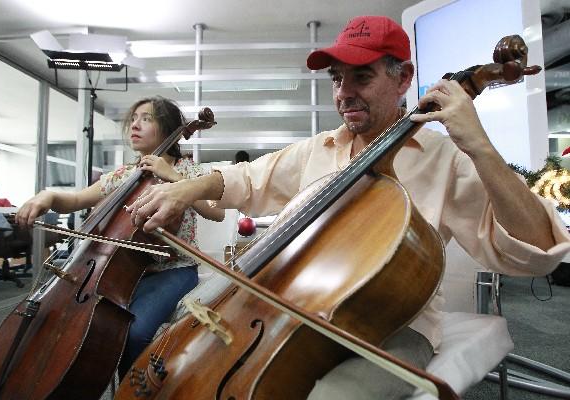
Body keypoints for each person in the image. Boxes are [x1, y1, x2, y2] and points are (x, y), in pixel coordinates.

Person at [125, 16, 570, 399]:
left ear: (403, 77)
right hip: (296, 306)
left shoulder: (445, 159)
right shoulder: (321, 148)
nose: (344, 93)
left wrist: (480, 147)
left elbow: (533, 251)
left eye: (362, 76)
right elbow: (249, 177)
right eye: (338, 79)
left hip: (392, 324)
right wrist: (186, 189)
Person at [15, 95, 225, 379]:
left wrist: (174, 178)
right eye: (134, 119)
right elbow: (76, 199)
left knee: (134, 331)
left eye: (146, 119)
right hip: (120, 271)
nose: (135, 125)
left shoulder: (189, 170)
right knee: (78, 325)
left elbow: (217, 213)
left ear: (167, 128)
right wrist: (49, 195)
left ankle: (136, 391)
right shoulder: (124, 174)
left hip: (173, 269)